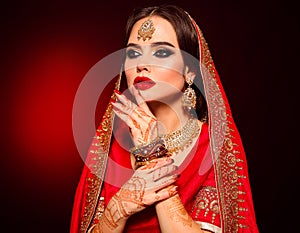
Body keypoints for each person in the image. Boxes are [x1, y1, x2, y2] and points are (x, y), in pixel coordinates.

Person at [70, 4, 259, 233]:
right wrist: (120, 206)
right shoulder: (110, 145)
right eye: (133, 53)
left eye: (161, 52)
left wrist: (152, 153)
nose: (141, 64)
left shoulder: (213, 147)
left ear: (190, 71)